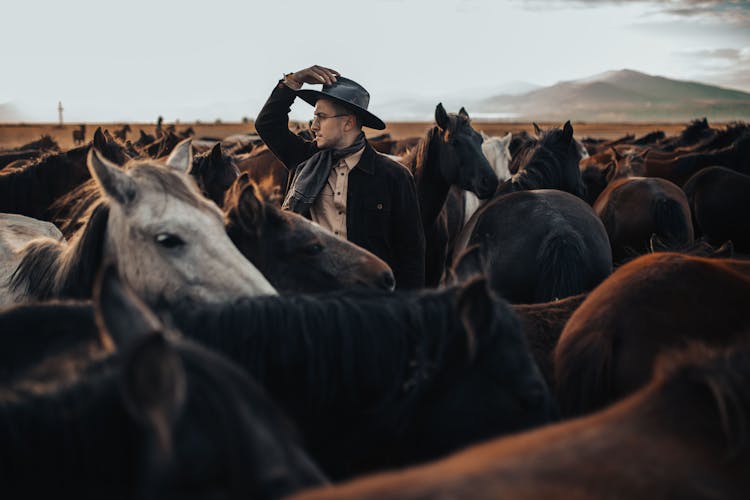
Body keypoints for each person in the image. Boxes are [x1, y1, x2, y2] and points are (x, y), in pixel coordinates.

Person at [255, 65, 425, 289]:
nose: (314, 126)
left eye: (321, 117)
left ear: (348, 122)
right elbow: (267, 124)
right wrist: (292, 81)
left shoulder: (393, 176)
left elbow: (411, 253)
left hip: (367, 300)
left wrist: (404, 312)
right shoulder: (304, 160)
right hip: (309, 293)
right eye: (314, 117)